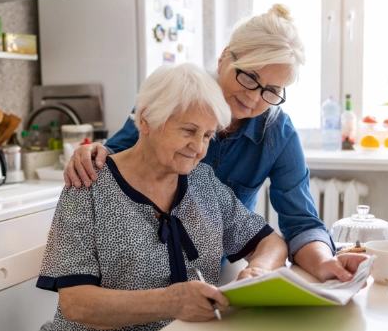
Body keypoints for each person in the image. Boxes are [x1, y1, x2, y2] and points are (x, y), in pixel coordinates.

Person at [63, 4, 368, 283]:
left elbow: (301, 223)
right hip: (138, 271)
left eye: (271, 90)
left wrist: (325, 262)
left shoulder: (278, 133)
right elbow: (117, 157)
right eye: (249, 77)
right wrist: (91, 153)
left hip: (212, 271)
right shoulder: (175, 96)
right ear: (225, 57)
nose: (252, 96)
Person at [37, 63, 288, 330]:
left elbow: (271, 243)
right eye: (188, 131)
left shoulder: (203, 182)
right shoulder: (88, 183)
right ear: (145, 119)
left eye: (207, 135)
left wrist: (258, 271)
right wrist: (170, 302)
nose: (198, 147)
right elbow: (76, 304)